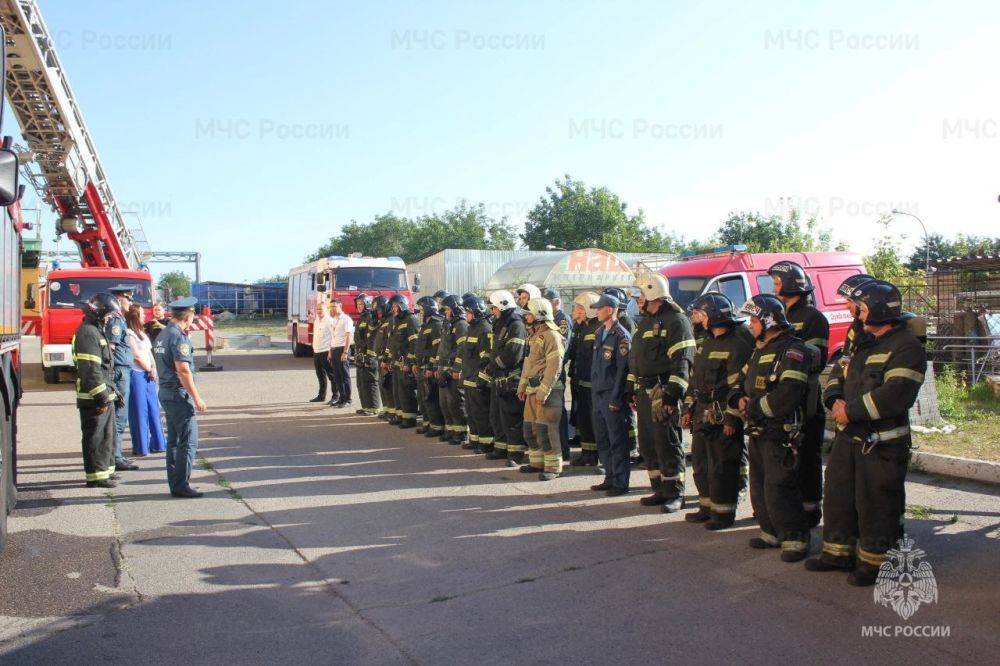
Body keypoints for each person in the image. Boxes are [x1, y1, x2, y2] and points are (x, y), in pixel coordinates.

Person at [805, 279, 927, 586]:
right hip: (849, 438)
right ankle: (837, 553)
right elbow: (838, 372)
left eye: (857, 306)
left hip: (881, 444)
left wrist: (851, 411)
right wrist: (834, 400)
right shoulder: (860, 339)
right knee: (838, 495)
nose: (851, 310)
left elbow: (896, 393)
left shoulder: (905, 347)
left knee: (877, 504)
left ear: (874, 309)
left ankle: (877, 564)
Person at [730, 294, 813, 562]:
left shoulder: (793, 350)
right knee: (760, 483)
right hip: (758, 430)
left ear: (768, 320)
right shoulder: (760, 349)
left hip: (780, 431)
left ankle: (795, 539)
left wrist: (752, 407)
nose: (750, 324)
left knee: (780, 485)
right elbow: (740, 381)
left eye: (754, 319)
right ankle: (770, 531)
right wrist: (737, 399)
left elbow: (789, 393)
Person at [681, 293, 753, 530]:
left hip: (723, 415)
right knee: (701, 463)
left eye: (701, 314)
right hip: (702, 411)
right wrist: (688, 407)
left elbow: (738, 386)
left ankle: (723, 514)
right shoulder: (707, 341)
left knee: (722, 466)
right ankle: (706, 506)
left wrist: (733, 417)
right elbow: (695, 379)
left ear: (713, 316)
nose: (698, 318)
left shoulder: (737, 345)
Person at [768, 261, 829, 528]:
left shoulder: (814, 318)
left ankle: (810, 510)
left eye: (778, 282)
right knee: (785, 457)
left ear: (793, 284)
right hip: (782, 396)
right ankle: (786, 509)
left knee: (807, 456)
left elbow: (816, 358)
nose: (774, 287)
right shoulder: (778, 314)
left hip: (807, 398)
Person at [628, 273, 696, 513]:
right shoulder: (645, 322)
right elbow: (635, 359)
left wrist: (671, 395)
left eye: (641, 295)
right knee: (648, 444)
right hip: (644, 391)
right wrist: (631, 388)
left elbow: (683, 362)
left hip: (662, 391)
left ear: (653, 293)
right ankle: (658, 489)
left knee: (667, 442)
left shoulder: (677, 321)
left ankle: (675, 493)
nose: (637, 300)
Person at [153, 297, 207, 498]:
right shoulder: (178, 337)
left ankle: (175, 484)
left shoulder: (163, 334)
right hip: (178, 394)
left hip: (166, 392)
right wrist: (197, 397)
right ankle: (181, 484)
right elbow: (183, 370)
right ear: (189, 316)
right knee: (188, 441)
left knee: (174, 441)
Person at [72, 293, 122, 488]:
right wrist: (101, 396)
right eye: (108, 314)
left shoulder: (95, 330)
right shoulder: (87, 333)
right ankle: (96, 477)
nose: (109, 318)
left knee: (107, 437)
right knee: (95, 437)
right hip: (93, 397)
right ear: (99, 312)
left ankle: (105, 472)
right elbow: (90, 371)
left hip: (104, 395)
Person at [517, 297, 566, 480]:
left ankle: (553, 468)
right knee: (530, 429)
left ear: (539, 314)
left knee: (546, 430)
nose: (526, 316)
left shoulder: (552, 335)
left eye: (529, 313)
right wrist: (522, 385)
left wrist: (543, 391)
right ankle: (536, 463)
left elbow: (555, 366)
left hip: (548, 392)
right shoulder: (535, 335)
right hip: (531, 390)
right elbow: (528, 363)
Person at [589, 294, 633, 496]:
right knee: (603, 438)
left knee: (617, 440)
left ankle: (621, 482)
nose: (596, 311)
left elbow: (623, 372)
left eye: (600, 308)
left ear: (610, 309)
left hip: (612, 395)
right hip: (598, 394)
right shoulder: (600, 333)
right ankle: (610, 476)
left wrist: (616, 399)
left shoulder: (621, 336)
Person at [486, 290, 528, 465]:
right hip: (499, 379)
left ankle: (516, 453)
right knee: (497, 415)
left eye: (494, 307)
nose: (493, 311)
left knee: (512, 418)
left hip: (511, 379)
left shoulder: (516, 325)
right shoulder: (500, 322)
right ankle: (501, 448)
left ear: (503, 306)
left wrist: (494, 364)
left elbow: (513, 354)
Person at [105, 285, 139, 471]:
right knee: (119, 416)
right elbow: (111, 348)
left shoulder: (119, 319)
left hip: (121, 370)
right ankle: (116, 458)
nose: (131, 302)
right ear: (119, 300)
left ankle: (116, 456)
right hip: (119, 371)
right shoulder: (116, 321)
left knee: (120, 416)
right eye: (129, 298)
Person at [125, 304, 166, 457]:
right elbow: (136, 356)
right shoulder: (129, 334)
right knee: (139, 411)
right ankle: (142, 446)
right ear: (135, 317)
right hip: (137, 375)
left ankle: (158, 443)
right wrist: (148, 369)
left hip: (149, 375)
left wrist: (154, 368)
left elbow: (149, 353)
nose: (144, 316)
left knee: (154, 409)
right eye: (142, 314)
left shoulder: (142, 333)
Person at [567, 291, 601, 468]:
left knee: (593, 421)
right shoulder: (581, 328)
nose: (575, 312)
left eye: (579, 309)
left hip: (593, 385)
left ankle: (594, 455)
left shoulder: (598, 329)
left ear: (589, 310)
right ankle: (587, 453)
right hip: (581, 382)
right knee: (584, 420)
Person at [457, 294, 494, 451]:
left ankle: (486, 443)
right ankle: (474, 440)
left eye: (469, 313)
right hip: (468, 378)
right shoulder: (471, 328)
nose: (466, 316)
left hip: (478, 380)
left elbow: (487, 358)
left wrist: (482, 379)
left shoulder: (485, 329)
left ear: (477, 312)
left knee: (481, 413)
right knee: (471, 412)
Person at [414, 296, 446, 437]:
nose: (420, 312)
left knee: (431, 398)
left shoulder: (437, 325)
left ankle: (437, 427)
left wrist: (431, 367)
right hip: (421, 366)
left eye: (421, 309)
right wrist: (416, 363)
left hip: (429, 368)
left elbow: (436, 349)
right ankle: (427, 424)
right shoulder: (425, 325)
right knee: (423, 398)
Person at [439, 295, 469, 445]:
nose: (445, 312)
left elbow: (462, 349)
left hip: (454, 371)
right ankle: (451, 430)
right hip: (445, 369)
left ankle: (461, 433)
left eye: (447, 309)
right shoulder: (448, 324)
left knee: (456, 402)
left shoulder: (461, 325)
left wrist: (455, 368)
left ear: (455, 308)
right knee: (446, 403)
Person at [388, 294, 420, 427]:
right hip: (397, 362)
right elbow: (393, 343)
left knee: (407, 391)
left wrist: (409, 362)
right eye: (393, 306)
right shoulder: (396, 321)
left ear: (402, 305)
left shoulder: (410, 319)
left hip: (405, 362)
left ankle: (409, 418)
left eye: (396, 306)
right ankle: (401, 415)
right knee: (398, 391)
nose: (394, 309)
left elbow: (414, 344)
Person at [354, 294, 382, 416]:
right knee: (361, 381)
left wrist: (369, 355)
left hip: (368, 354)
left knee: (370, 381)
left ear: (367, 304)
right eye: (358, 304)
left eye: (361, 304)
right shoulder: (362, 317)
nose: (359, 306)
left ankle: (374, 407)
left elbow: (373, 338)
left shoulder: (370, 317)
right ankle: (366, 406)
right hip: (360, 353)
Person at [328, 298, 355, 408]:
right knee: (337, 376)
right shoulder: (334, 319)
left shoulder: (346, 319)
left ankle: (348, 399)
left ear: (340, 306)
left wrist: (345, 352)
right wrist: (330, 351)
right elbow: (332, 337)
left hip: (342, 349)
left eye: (335, 306)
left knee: (344, 375)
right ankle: (341, 398)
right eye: (331, 307)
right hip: (334, 349)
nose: (333, 309)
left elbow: (348, 336)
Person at [309, 300, 338, 404]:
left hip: (326, 351)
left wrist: (331, 351)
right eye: (317, 309)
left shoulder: (329, 321)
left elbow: (334, 337)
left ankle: (335, 396)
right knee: (320, 375)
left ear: (326, 310)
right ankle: (321, 396)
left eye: (321, 309)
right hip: (317, 351)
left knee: (332, 375)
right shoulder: (317, 321)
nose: (319, 311)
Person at [374, 296, 397, 422]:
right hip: (380, 357)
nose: (378, 311)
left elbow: (390, 341)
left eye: (380, 309)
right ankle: (387, 409)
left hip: (386, 358)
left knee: (389, 385)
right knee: (383, 385)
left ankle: (392, 411)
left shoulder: (391, 320)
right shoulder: (383, 320)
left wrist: (387, 359)